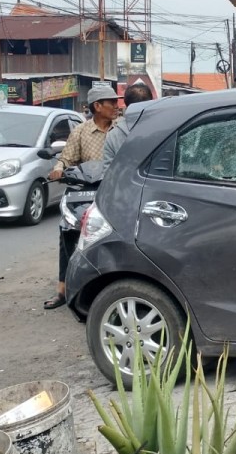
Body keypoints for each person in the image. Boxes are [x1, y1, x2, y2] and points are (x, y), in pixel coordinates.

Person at [45, 84, 120, 310]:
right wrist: (58, 169)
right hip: (84, 190)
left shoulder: (122, 129)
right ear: (98, 106)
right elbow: (66, 158)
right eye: (112, 103)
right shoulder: (80, 132)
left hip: (113, 191)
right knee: (67, 232)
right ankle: (63, 288)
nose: (117, 106)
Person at [102, 82, 154, 169]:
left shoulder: (113, 135)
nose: (115, 107)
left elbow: (108, 172)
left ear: (126, 104)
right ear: (152, 102)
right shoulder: (164, 129)